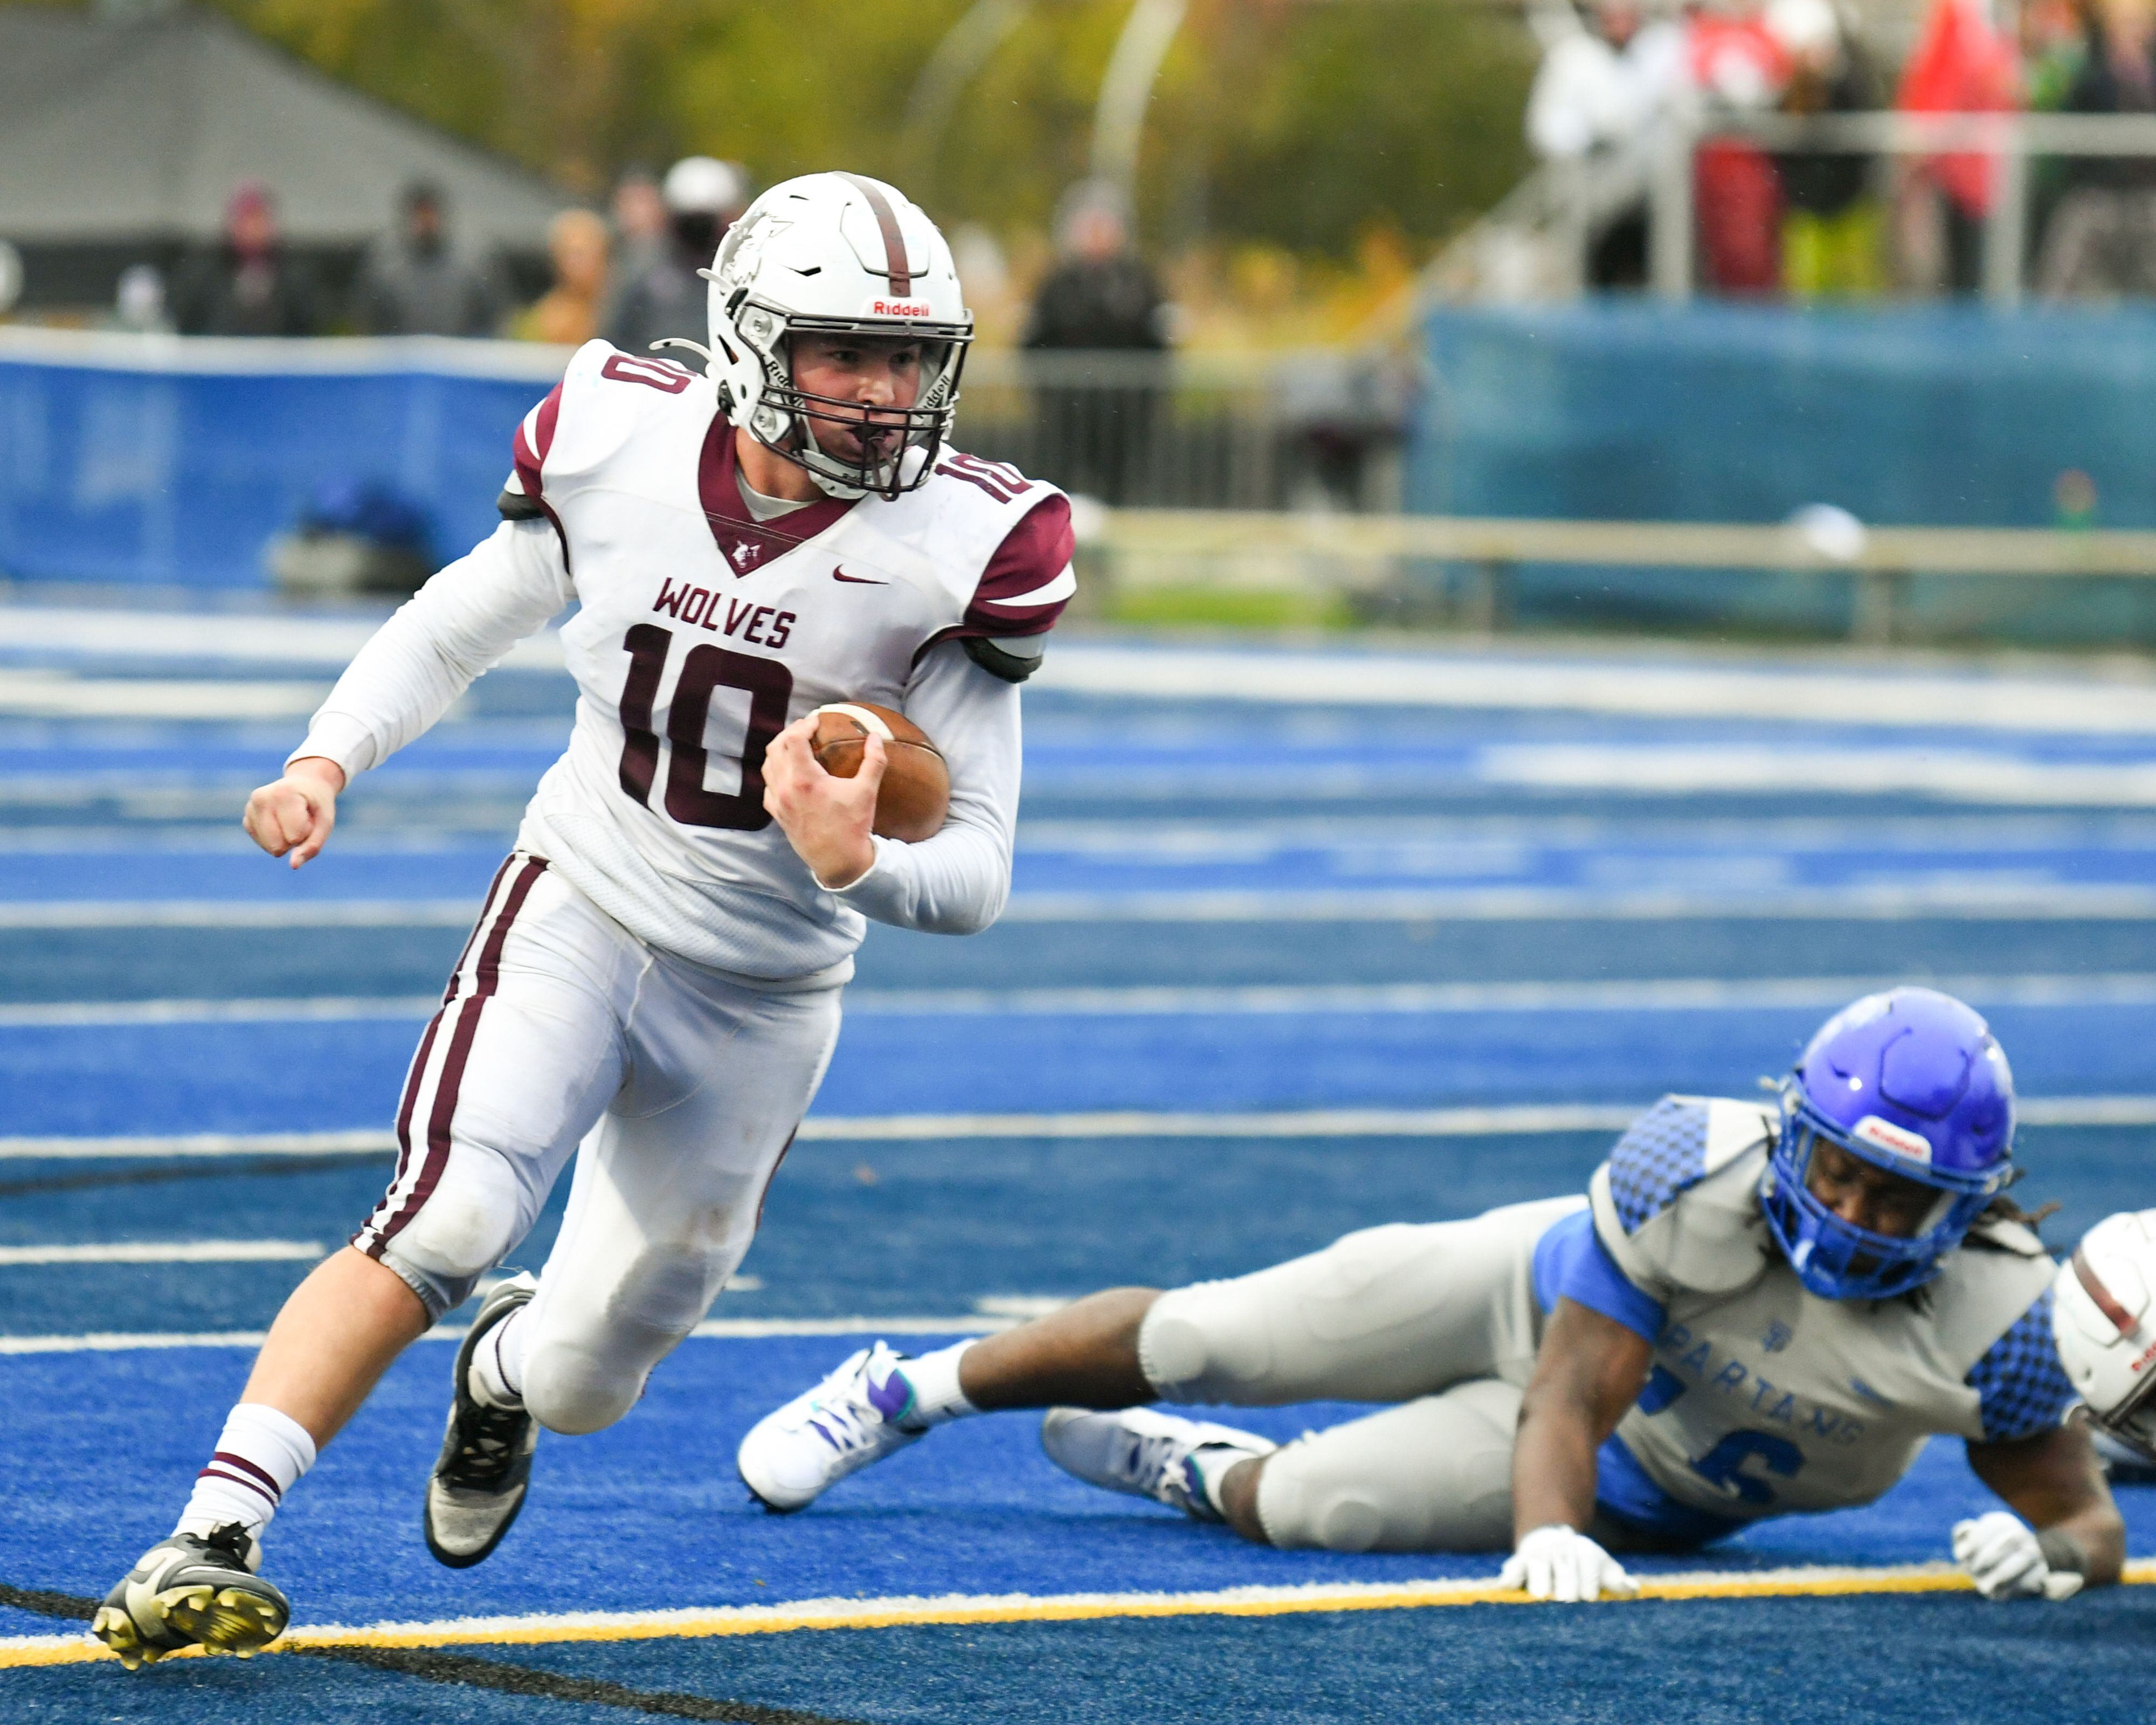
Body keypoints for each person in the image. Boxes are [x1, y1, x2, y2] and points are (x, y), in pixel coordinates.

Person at [91, 171, 1076, 1669]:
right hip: (586, 897)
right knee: (451, 1211)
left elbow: (982, 867)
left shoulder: (969, 542)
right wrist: (325, 754)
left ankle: (502, 1369)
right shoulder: (620, 438)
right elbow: (462, 617)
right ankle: (212, 1531)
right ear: (748, 339)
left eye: (906, 360)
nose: (884, 397)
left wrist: (851, 862)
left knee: (597, 1373)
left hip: (765, 992)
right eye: (844, 355)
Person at [741, 988, 2123, 1603]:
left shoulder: (2002, 1324)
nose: (1856, 1214)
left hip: (1658, 1481)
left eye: (1901, 1199)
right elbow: (1577, 1386)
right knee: (1206, 1332)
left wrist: (2048, 1554)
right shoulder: (1691, 1172)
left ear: (1970, 1202)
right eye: (1836, 1171)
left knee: (1305, 1506)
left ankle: (1190, 1468)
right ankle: (904, 1388)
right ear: (1793, 1129)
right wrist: (1547, 1532)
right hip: (1518, 1307)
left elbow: (2082, 1517)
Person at [1020, 180, 1169, 503]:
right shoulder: (1057, 284)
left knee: (1120, 489)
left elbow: (1160, 341)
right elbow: (1032, 341)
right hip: (1067, 414)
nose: (1099, 236)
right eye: (1091, 228)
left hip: (1124, 415)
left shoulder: (1139, 281)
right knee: (1061, 486)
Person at [604, 156, 747, 368]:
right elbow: (613, 343)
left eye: (707, 220)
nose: (699, 231)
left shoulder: (745, 274)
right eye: (690, 220)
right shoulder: (643, 269)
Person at [171, 181, 322, 337]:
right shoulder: (202, 274)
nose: (252, 227)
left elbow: (308, 327)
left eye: (258, 218)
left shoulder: (295, 276)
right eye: (245, 219)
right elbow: (185, 325)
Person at [354, 181, 501, 337]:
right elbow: (367, 317)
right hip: (402, 357)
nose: (426, 222)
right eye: (420, 215)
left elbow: (493, 316)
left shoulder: (473, 264)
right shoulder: (385, 267)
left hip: (458, 356)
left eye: (430, 214)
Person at [513, 208, 611, 346]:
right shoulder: (545, 317)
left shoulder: (622, 310)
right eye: (569, 255)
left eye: (582, 254)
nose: (575, 264)